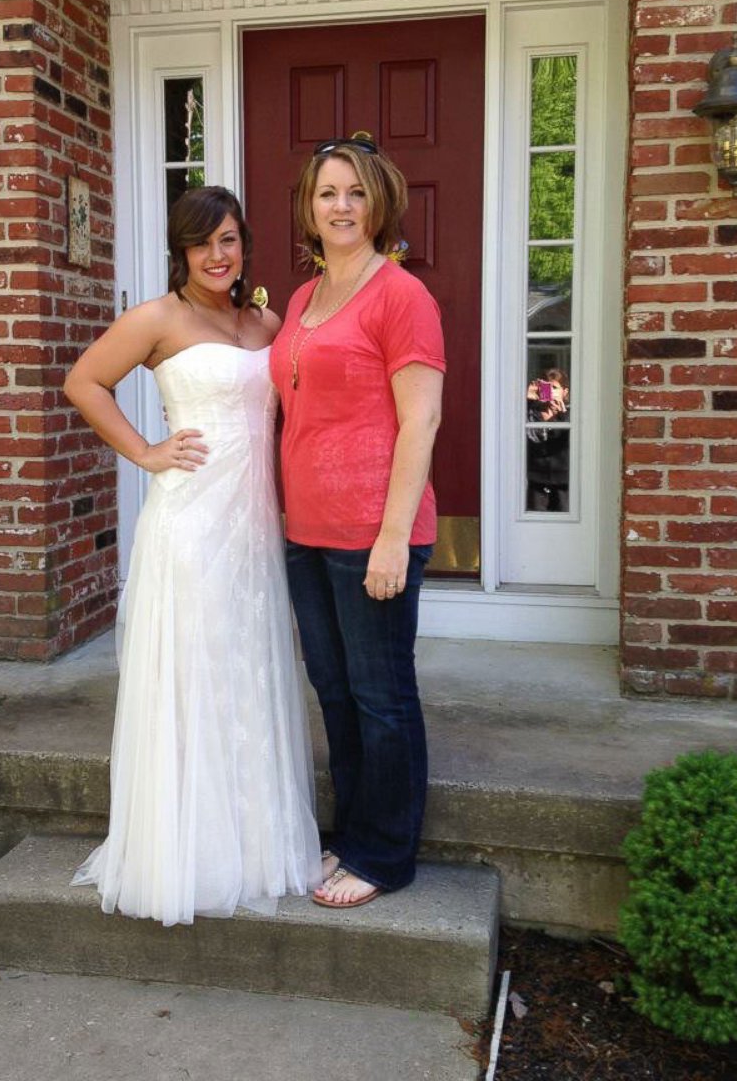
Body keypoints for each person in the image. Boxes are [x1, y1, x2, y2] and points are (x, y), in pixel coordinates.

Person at [65, 186, 321, 925]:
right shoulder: (156, 318)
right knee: (196, 674)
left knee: (251, 672)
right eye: (203, 242)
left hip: (254, 527)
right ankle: (189, 852)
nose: (219, 255)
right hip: (190, 525)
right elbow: (84, 381)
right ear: (181, 250)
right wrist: (145, 451)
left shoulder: (265, 321)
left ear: (245, 245)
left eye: (231, 239)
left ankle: (256, 842)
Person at [269, 133, 445, 910]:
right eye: (327, 193)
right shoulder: (304, 298)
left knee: (381, 695)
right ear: (309, 208)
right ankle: (354, 831)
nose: (340, 206)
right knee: (334, 690)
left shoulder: (402, 296)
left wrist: (391, 538)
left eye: (355, 193)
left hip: (373, 530)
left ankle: (386, 854)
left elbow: (422, 422)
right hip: (305, 530)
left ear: (379, 204)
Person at [526, 368, 570, 512]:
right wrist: (525, 401)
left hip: (563, 481)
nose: (551, 392)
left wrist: (562, 417)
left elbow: (570, 443)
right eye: (547, 387)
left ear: (565, 392)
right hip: (536, 479)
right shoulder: (530, 413)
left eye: (555, 388)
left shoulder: (571, 415)